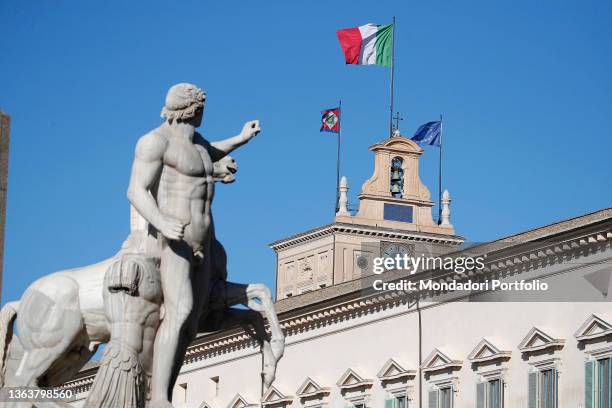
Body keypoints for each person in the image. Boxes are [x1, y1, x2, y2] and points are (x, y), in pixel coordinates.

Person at [127, 83, 260, 407]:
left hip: (205, 241)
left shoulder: (199, 144)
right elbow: (136, 190)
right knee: (180, 310)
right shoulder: (155, 141)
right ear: (191, 109)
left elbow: (213, 151)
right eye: (201, 107)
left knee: (191, 323)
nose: (202, 113)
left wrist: (241, 139)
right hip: (176, 239)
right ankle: (158, 398)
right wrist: (161, 222)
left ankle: (164, 392)